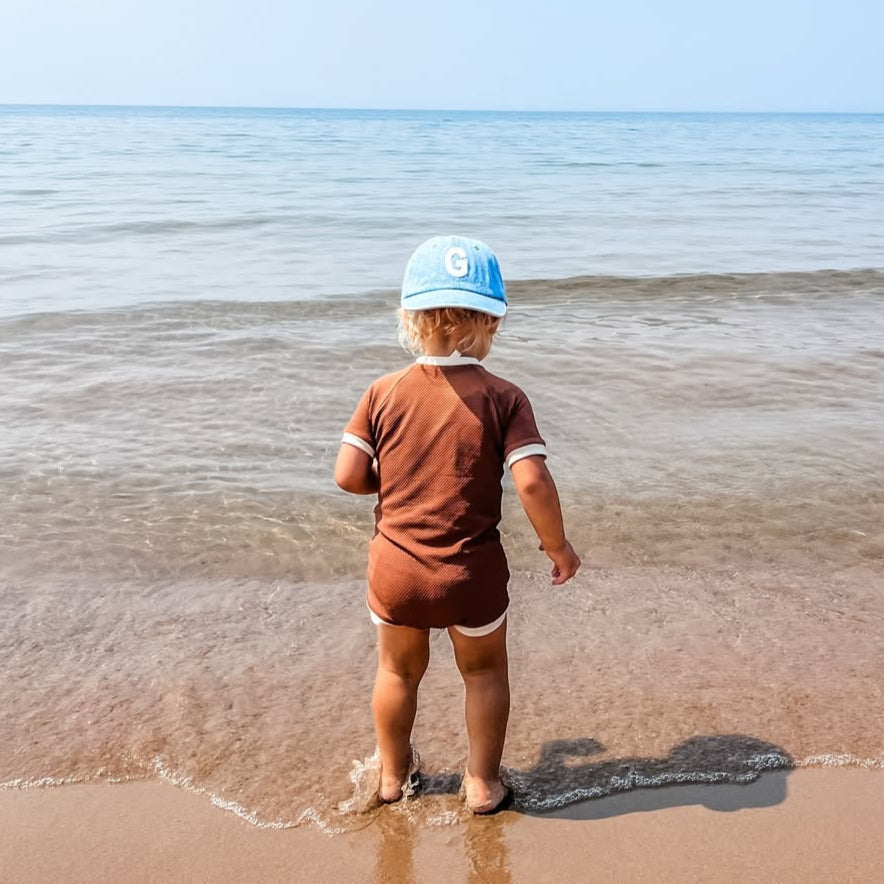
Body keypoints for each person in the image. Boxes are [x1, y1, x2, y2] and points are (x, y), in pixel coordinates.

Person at [334, 235, 580, 815]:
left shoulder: (383, 392)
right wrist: (559, 546)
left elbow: (347, 475)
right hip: (472, 572)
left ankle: (393, 779)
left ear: (410, 318)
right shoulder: (504, 396)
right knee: (485, 671)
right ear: (492, 321)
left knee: (397, 670)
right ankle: (482, 786)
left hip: (397, 569)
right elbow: (532, 482)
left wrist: (391, 488)